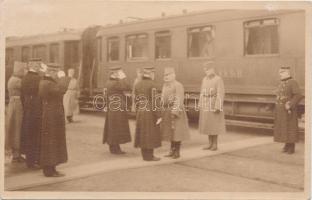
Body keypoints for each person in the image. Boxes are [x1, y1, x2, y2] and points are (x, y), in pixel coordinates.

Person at [38, 63, 68, 177]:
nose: (57, 74)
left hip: (53, 116)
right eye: (55, 72)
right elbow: (62, 89)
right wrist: (64, 77)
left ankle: (52, 168)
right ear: (50, 72)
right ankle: (48, 170)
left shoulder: (47, 82)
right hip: (51, 116)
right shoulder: (47, 83)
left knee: (53, 141)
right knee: (51, 142)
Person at [160, 67, 190, 159]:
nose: (166, 77)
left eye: (168, 75)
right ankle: (171, 150)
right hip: (167, 111)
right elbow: (162, 97)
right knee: (170, 133)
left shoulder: (178, 85)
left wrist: (174, 111)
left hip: (176, 112)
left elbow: (179, 98)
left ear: (173, 75)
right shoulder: (165, 85)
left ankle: (177, 152)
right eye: (165, 75)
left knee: (177, 133)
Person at [134, 67, 162, 161]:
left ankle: (144, 156)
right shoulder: (153, 85)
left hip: (141, 110)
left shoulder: (137, 84)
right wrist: (159, 115)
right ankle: (150, 156)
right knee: (150, 133)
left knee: (143, 133)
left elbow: (136, 100)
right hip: (150, 111)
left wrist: (137, 112)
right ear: (151, 74)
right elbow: (155, 101)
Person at [274, 66, 303, 154]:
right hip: (281, 110)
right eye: (280, 72)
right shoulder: (282, 83)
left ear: (287, 73)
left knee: (290, 127)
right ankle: (287, 145)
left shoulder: (293, 82)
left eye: (282, 72)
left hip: (289, 109)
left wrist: (290, 104)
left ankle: (292, 147)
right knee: (284, 127)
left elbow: (298, 95)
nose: (280, 74)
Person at [103, 66, 132, 154]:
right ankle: (115, 149)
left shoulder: (108, 82)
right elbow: (127, 87)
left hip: (112, 107)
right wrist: (123, 77)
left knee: (112, 127)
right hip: (117, 108)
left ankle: (113, 147)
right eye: (119, 72)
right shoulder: (115, 83)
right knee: (117, 127)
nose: (120, 74)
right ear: (115, 73)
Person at [20, 58, 43, 168]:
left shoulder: (24, 78)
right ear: (34, 66)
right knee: (36, 136)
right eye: (38, 65)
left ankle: (29, 161)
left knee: (29, 135)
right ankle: (35, 161)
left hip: (28, 110)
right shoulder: (38, 78)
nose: (39, 66)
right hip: (37, 110)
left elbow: (22, 96)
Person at [198, 63, 226, 151]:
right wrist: (200, 103)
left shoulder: (218, 79)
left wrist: (218, 106)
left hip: (213, 103)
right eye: (205, 69)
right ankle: (209, 143)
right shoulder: (204, 79)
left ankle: (215, 144)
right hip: (206, 104)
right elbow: (202, 92)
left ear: (213, 69)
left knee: (214, 125)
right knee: (208, 124)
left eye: (208, 69)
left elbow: (220, 93)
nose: (206, 71)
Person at [7, 62, 26, 163]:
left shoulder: (12, 79)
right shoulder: (17, 80)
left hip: (12, 105)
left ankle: (15, 153)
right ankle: (16, 154)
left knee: (14, 128)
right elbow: (25, 87)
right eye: (22, 70)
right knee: (17, 128)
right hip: (17, 105)